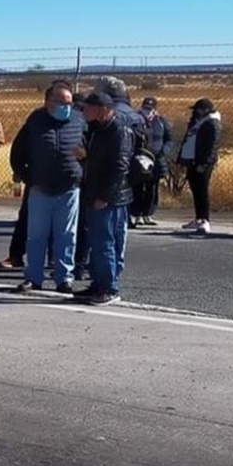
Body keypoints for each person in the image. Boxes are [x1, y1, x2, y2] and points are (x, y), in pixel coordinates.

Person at [10, 82, 85, 294]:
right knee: (36, 236)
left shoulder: (79, 121)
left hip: (69, 187)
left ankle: (64, 278)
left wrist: (82, 169)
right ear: (47, 102)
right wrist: (29, 178)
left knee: (66, 235)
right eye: (61, 102)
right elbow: (18, 153)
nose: (66, 106)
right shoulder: (35, 121)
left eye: (69, 102)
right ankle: (33, 277)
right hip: (40, 188)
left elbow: (91, 151)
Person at [77, 91, 134, 305]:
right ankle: (98, 283)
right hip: (95, 193)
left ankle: (109, 287)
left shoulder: (118, 130)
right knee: (97, 242)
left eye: (89, 108)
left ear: (103, 110)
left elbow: (119, 167)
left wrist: (104, 196)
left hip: (110, 198)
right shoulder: (97, 130)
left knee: (105, 243)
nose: (84, 112)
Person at [178, 98, 222, 236]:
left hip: (203, 162)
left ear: (206, 110)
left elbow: (212, 146)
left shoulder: (212, 123)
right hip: (192, 160)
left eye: (198, 110)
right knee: (195, 190)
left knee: (202, 191)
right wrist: (181, 158)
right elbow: (188, 139)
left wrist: (204, 163)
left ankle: (205, 220)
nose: (196, 112)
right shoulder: (196, 122)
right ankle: (198, 218)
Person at [131, 97, 173, 228]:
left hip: (156, 159)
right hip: (139, 159)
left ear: (155, 109)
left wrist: (163, 151)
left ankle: (148, 214)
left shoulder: (161, 122)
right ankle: (137, 214)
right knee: (137, 187)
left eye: (150, 109)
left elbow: (169, 138)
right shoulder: (136, 120)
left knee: (152, 187)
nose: (147, 111)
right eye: (145, 108)